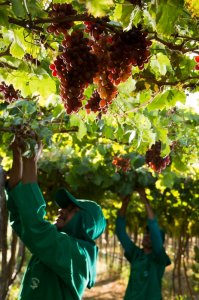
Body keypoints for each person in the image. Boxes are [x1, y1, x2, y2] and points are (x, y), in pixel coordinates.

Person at [6, 137, 106, 300]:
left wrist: (30, 158)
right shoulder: (59, 245)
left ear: (85, 223)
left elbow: (35, 225)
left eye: (71, 209)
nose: (61, 210)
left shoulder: (76, 254)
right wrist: (18, 157)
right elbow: (20, 216)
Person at [115, 187, 171, 300]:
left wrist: (145, 201)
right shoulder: (136, 254)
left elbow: (154, 230)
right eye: (146, 233)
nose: (147, 236)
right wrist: (125, 203)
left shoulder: (159, 258)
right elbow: (120, 232)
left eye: (151, 235)